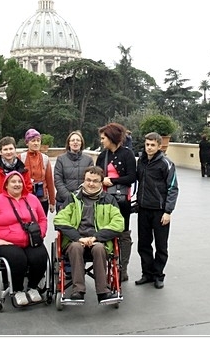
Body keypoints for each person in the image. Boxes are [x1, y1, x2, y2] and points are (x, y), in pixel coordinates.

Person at [54, 166, 124, 303]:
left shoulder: (109, 200)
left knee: (98, 248)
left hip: (99, 241)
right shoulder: (73, 199)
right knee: (75, 247)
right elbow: (59, 220)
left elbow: (118, 223)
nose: (91, 184)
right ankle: (78, 290)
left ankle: (103, 291)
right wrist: (78, 238)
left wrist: (96, 237)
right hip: (76, 241)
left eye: (95, 181)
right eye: (88, 180)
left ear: (101, 183)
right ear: (84, 180)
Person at [0, 170, 49, 307]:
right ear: (6, 185)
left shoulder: (32, 199)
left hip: (30, 240)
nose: (17, 184)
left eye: (19, 181)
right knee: (18, 258)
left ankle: (33, 287)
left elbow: (42, 219)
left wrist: (41, 234)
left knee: (40, 256)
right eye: (13, 182)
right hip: (5, 243)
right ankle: (17, 289)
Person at [135, 132, 179, 289]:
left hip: (160, 211)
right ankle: (147, 273)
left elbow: (173, 188)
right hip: (143, 209)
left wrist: (168, 211)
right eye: (147, 144)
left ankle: (158, 275)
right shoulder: (141, 161)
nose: (149, 147)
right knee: (143, 244)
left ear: (159, 146)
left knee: (161, 246)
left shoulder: (166, 163)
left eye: (152, 145)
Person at [96, 122, 137, 282]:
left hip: (122, 201)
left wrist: (112, 180)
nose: (101, 141)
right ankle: (108, 265)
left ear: (111, 138)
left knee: (123, 232)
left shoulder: (127, 154)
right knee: (105, 230)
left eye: (103, 138)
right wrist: (101, 180)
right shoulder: (102, 156)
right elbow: (96, 174)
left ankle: (122, 268)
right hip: (104, 200)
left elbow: (132, 177)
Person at [0, 136, 31, 209]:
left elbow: (28, 190)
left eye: (11, 149)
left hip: (19, 206)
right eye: (5, 149)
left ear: (15, 150)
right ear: (1, 152)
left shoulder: (23, 169)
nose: (8, 152)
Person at [54, 130, 94, 210]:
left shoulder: (89, 160)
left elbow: (91, 179)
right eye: (72, 140)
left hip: (83, 201)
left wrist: (81, 196)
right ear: (68, 143)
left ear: (81, 143)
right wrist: (69, 198)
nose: (75, 142)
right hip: (63, 201)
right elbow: (58, 181)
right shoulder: (61, 159)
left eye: (78, 140)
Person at [20, 128, 56, 215]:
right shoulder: (21, 158)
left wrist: (52, 201)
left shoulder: (45, 158)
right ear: (27, 143)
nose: (36, 143)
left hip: (42, 198)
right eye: (33, 141)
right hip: (25, 198)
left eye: (38, 140)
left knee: (42, 221)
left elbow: (50, 181)